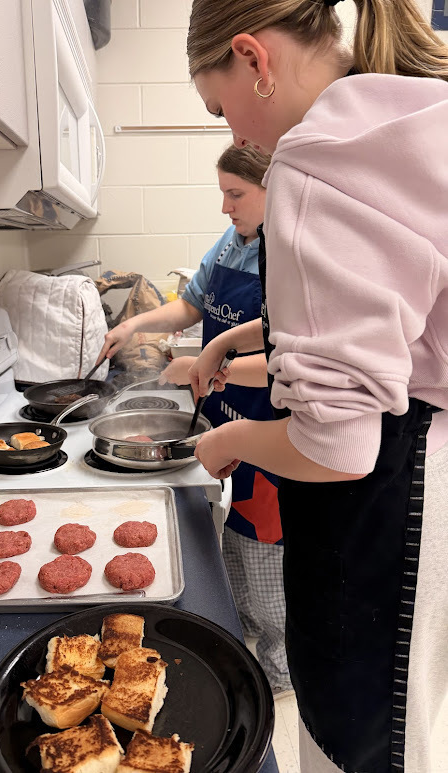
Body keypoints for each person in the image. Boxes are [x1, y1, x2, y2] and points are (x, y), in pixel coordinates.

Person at [185, 1, 448, 772]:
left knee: (365, 741)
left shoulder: (317, 159)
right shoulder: (405, 115)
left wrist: (227, 439)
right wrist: (239, 340)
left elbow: (335, 446)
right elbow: (385, 327)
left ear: (252, 58)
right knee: (415, 723)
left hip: (391, 511)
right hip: (427, 486)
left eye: (218, 104)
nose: (233, 134)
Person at [97, 144, 293, 697]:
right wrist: (135, 327)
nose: (225, 207)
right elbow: (191, 307)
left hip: (267, 425)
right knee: (229, 538)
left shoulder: (290, 252)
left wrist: (215, 363)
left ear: (272, 188)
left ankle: (280, 667)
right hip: (221, 417)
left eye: (236, 194)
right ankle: (248, 636)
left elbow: (285, 355)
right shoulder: (233, 243)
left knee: (265, 548)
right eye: (223, 193)